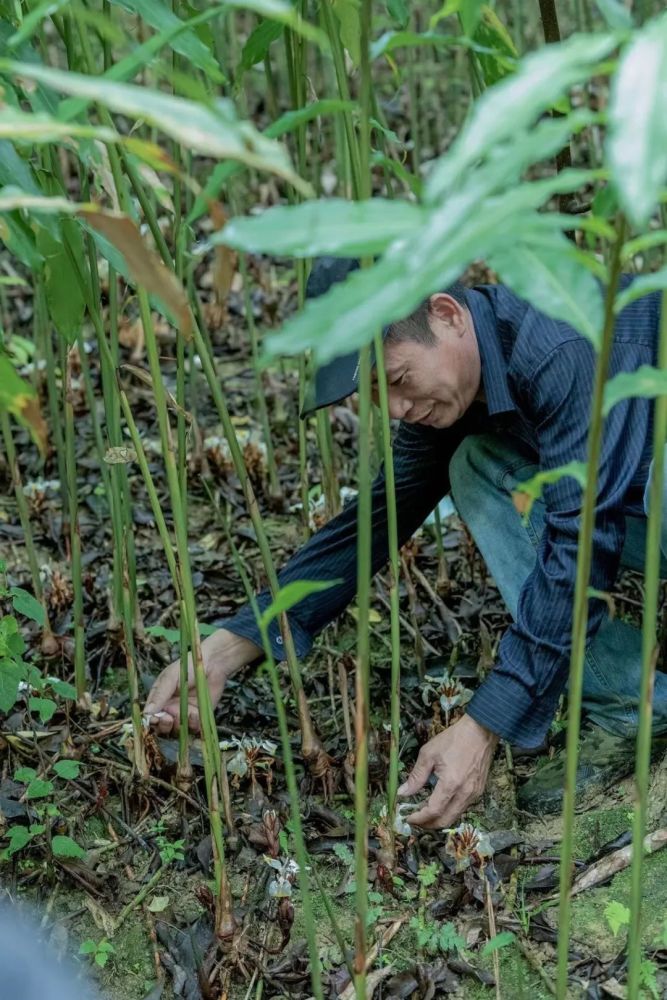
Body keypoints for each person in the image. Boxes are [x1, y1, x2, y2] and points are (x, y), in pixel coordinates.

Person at [145, 257, 666, 825]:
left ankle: (628, 710)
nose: (396, 409)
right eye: (375, 392)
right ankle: (631, 698)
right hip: (638, 508)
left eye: (396, 379)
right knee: (477, 464)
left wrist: (483, 726)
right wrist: (229, 644)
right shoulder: (456, 389)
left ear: (447, 315)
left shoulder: (561, 345)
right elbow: (374, 520)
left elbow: (583, 548)